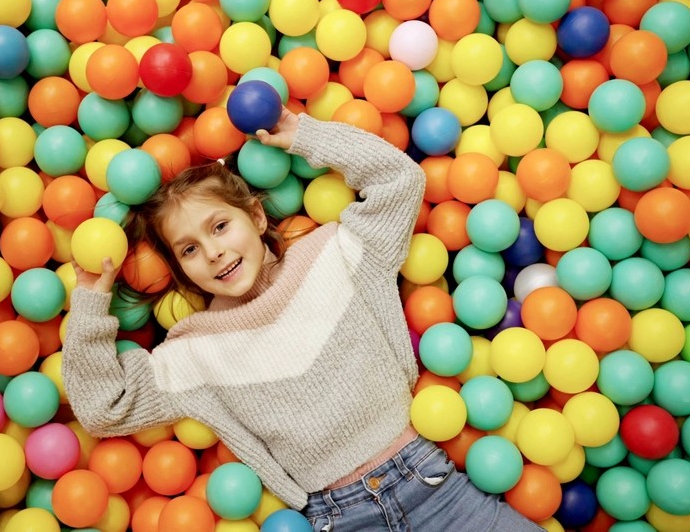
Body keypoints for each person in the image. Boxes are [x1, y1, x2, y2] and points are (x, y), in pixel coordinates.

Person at [62, 107, 544, 531]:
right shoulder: (194, 348)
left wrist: (305, 136)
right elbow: (104, 407)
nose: (213, 253)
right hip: (340, 516)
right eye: (189, 249)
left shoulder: (335, 253)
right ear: (179, 268)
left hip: (432, 484)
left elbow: (401, 182)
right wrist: (89, 301)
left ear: (254, 217)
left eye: (220, 226)